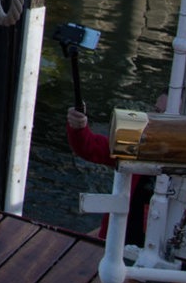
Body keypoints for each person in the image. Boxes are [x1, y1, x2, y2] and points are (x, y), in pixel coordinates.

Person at [67, 94, 167, 246]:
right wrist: (79, 127)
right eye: (156, 110)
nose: (154, 118)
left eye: (164, 114)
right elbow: (91, 147)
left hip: (156, 246)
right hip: (120, 243)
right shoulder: (138, 143)